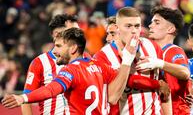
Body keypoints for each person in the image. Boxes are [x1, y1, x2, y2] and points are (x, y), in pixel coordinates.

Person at [1, 27, 139, 114]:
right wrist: (127, 61)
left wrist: (23, 98)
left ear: (73, 49)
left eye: (59, 46)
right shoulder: (99, 65)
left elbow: (51, 90)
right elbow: (124, 86)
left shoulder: (71, 70)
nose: (55, 51)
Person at [94, 7, 185, 114]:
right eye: (128, 26)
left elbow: (165, 91)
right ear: (117, 28)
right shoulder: (103, 56)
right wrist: (127, 61)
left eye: (137, 26)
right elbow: (112, 98)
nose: (134, 31)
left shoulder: (152, 47)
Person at [136, 6, 191, 115]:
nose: (150, 25)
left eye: (157, 22)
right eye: (151, 22)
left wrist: (159, 63)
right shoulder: (152, 52)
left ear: (170, 29)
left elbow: (185, 73)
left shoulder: (173, 50)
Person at [21, 14, 79, 115]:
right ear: (54, 35)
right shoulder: (40, 62)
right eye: (58, 34)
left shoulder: (83, 59)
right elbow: (25, 99)